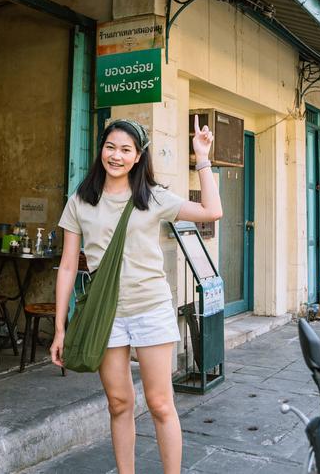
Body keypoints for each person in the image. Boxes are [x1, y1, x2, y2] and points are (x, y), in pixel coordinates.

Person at [51, 116, 222, 474]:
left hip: (152, 309)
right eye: (110, 147)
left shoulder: (153, 197)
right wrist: (60, 328)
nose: (116, 155)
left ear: (138, 156)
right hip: (106, 313)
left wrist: (202, 158)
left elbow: (212, 211)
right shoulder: (81, 200)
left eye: (125, 149)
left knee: (160, 404)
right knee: (118, 403)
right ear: (101, 150)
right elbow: (68, 266)